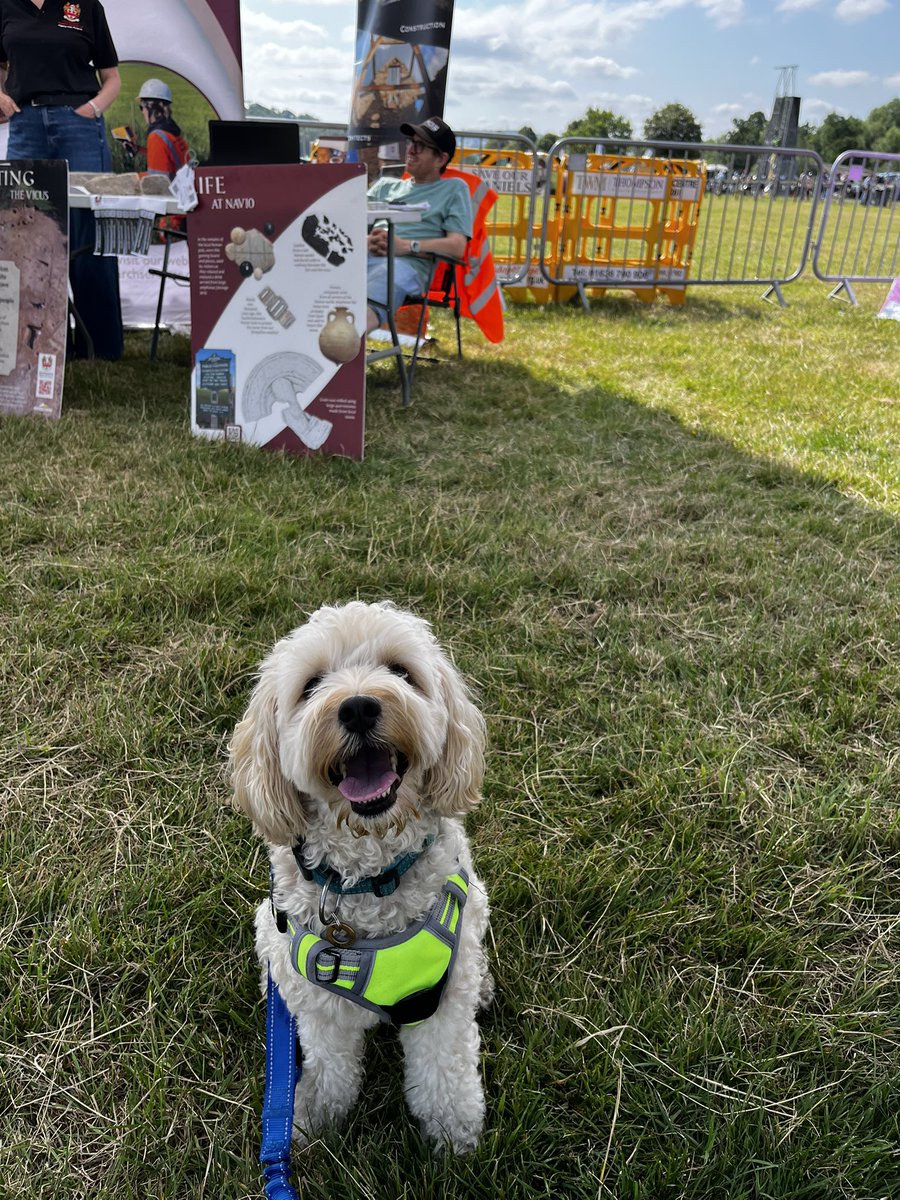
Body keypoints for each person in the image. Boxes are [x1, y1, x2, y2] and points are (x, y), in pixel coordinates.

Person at [0, 0, 123, 360]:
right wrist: (3, 97)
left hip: (80, 125)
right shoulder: (6, 7)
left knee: (89, 232)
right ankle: (31, 348)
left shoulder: (86, 6)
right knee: (23, 233)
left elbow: (112, 78)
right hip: (26, 126)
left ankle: (99, 348)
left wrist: (93, 109)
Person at [366, 116, 472, 335]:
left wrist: (406, 246)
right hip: (365, 255)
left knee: (387, 274)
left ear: (440, 159)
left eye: (420, 146)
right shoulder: (385, 187)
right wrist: (366, 241)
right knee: (323, 266)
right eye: (411, 143)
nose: (411, 150)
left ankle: (342, 344)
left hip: (408, 265)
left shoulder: (453, 189)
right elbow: (346, 221)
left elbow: (457, 246)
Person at [136, 78, 190, 180]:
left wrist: (135, 178)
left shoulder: (156, 137)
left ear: (151, 107)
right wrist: (138, 149)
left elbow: (157, 180)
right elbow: (165, 157)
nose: (142, 112)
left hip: (171, 193)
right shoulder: (171, 130)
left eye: (141, 107)